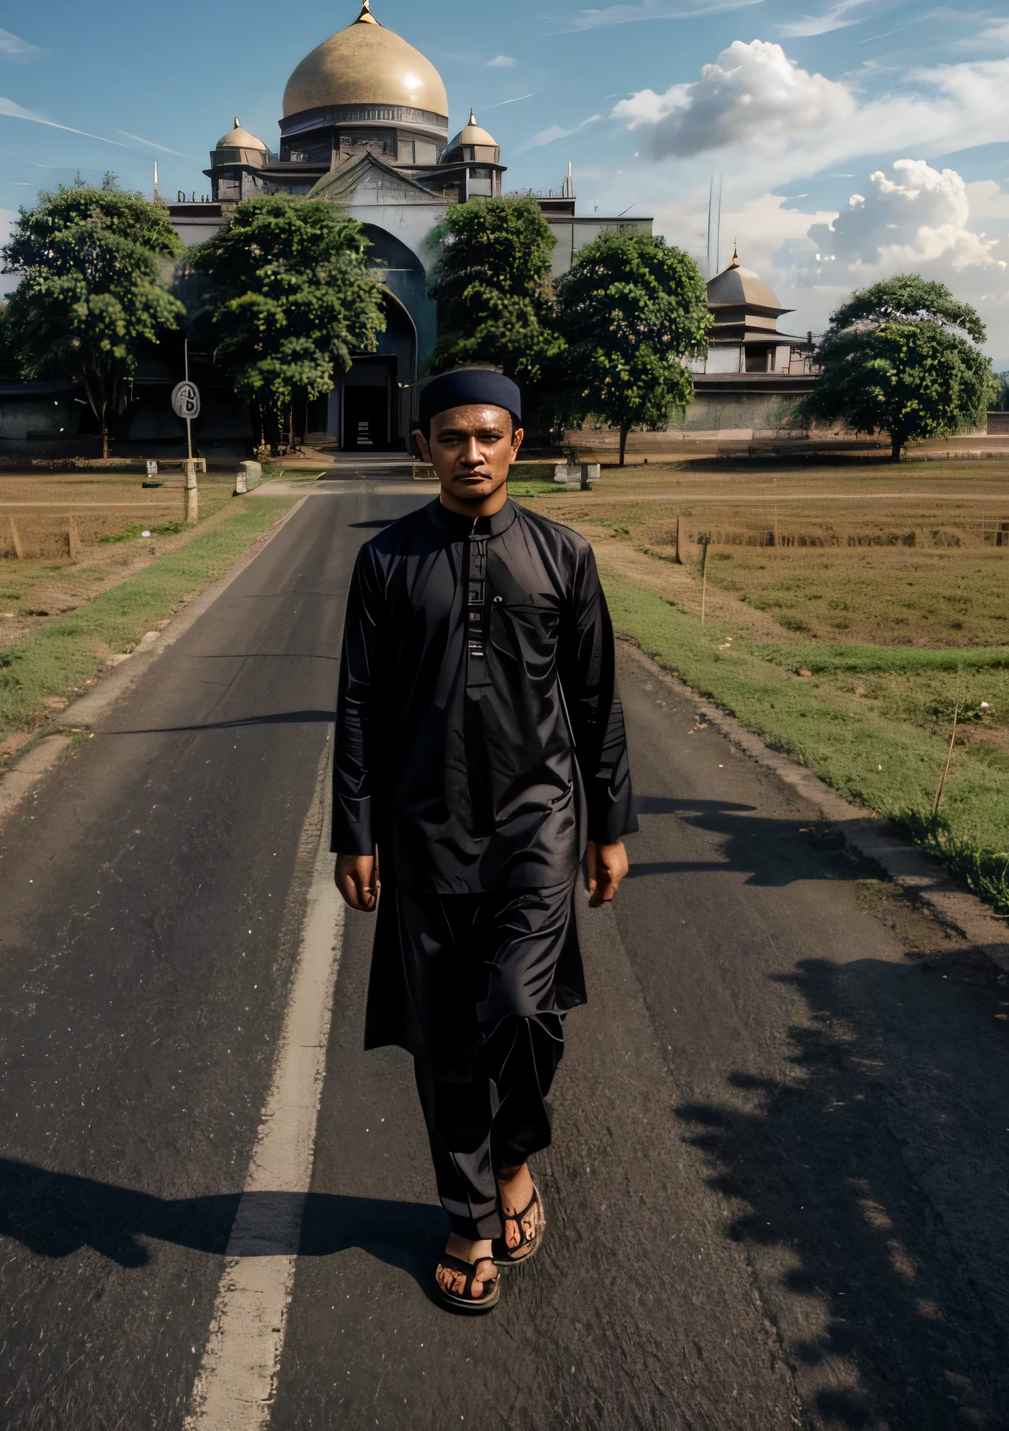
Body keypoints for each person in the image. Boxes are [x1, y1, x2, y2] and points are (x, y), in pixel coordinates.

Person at [332, 365, 636, 1312]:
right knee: (445, 1040)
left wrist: (610, 825)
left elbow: (595, 700)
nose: (472, 452)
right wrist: (356, 830)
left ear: (518, 443)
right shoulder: (385, 562)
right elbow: (357, 708)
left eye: (490, 435)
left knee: (516, 1007)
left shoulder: (564, 555)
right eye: (453, 436)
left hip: (536, 828)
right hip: (424, 832)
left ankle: (513, 1156)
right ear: (424, 445)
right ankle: (470, 1218)